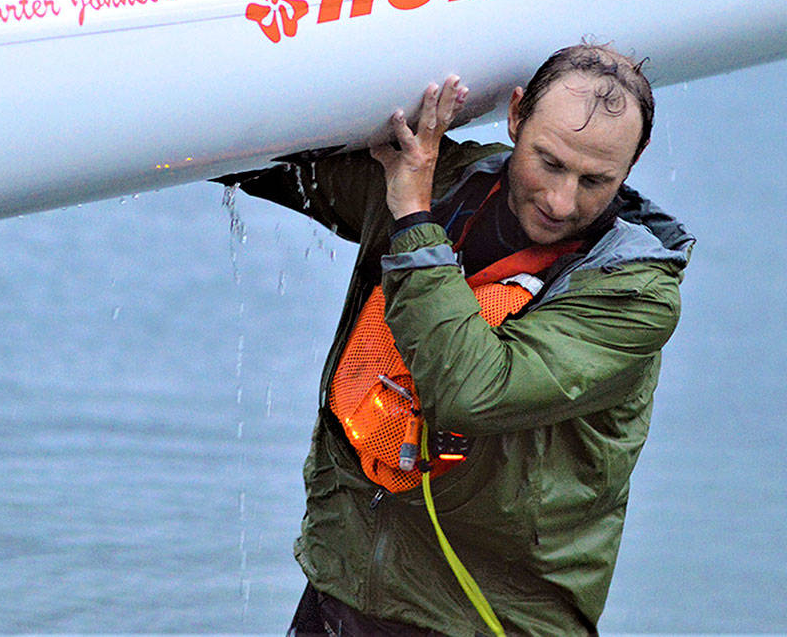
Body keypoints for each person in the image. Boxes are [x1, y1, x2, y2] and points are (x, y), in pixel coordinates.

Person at [215, 42, 693, 636]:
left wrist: (414, 220)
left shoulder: (635, 294)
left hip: (483, 619)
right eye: (548, 162)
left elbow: (472, 389)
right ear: (515, 116)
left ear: (634, 160)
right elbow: (276, 165)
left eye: (596, 180)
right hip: (345, 582)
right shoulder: (443, 179)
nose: (561, 200)